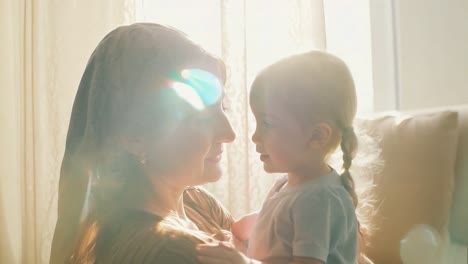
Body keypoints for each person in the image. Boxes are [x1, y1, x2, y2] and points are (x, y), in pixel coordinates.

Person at [49, 23, 236, 264]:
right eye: (201, 118)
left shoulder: (198, 203)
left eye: (224, 107)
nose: (229, 133)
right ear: (134, 136)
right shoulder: (172, 250)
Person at [197, 51, 372, 264]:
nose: (255, 136)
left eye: (267, 124)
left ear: (316, 136)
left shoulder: (317, 200)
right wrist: (227, 235)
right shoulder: (290, 186)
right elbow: (268, 227)